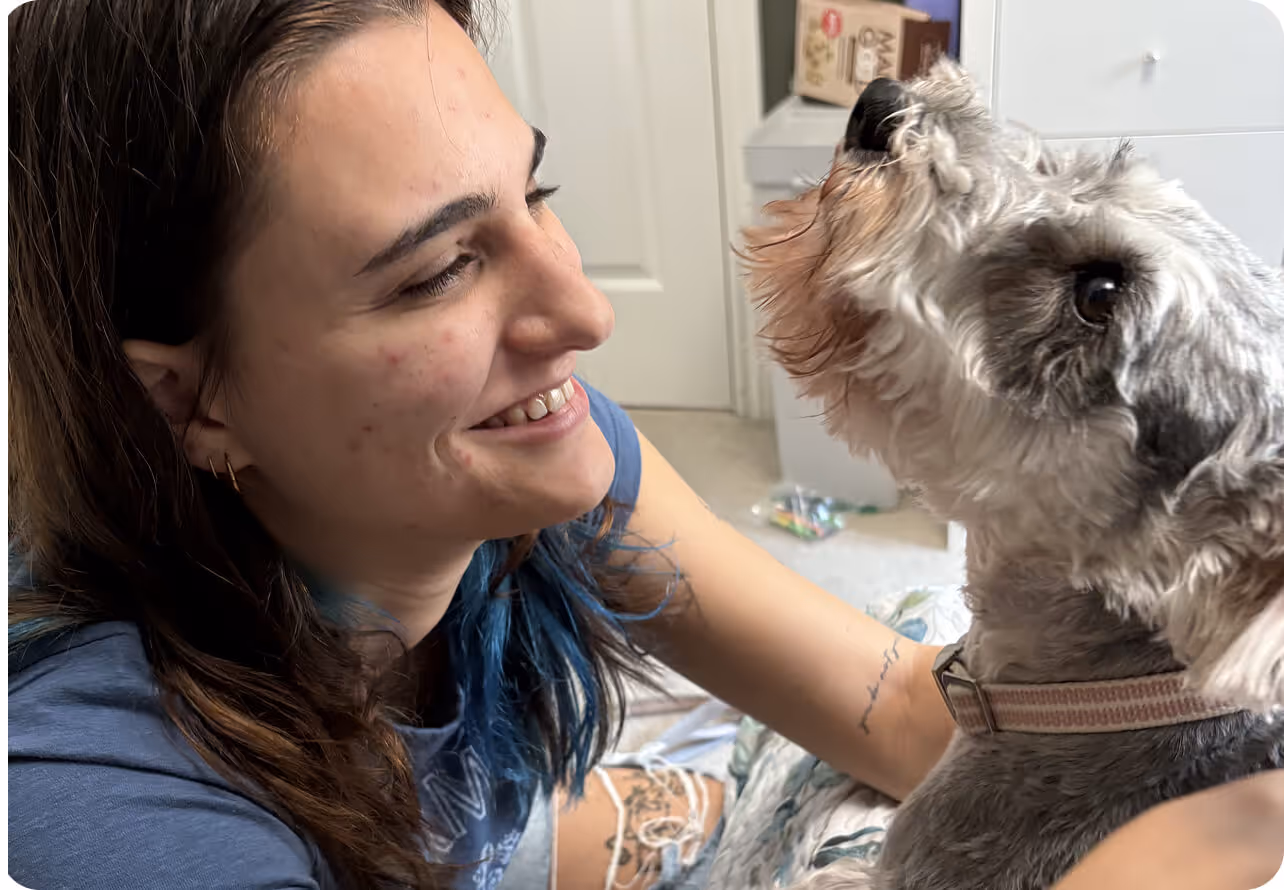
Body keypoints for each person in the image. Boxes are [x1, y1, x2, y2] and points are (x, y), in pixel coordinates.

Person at [7, 2, 1281, 889]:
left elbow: (893, 707)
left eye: (535, 195)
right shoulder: (108, 817)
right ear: (189, 402)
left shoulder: (521, 463)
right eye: (441, 268)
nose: (586, 315)